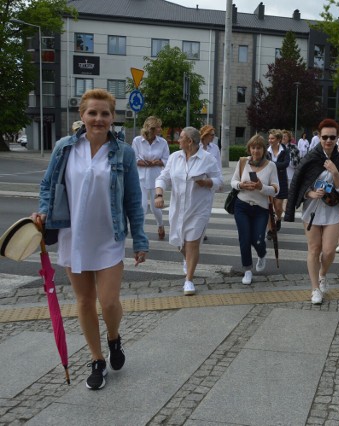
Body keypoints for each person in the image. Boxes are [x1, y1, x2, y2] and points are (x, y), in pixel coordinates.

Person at [32, 88, 148, 390]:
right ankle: (97, 359)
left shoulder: (124, 152)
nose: (98, 118)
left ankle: (113, 337)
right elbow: (48, 186)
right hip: (74, 235)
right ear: (81, 116)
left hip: (109, 236)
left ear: (113, 118)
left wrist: (140, 239)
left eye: (104, 113)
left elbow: (134, 200)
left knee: (109, 302)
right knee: (84, 301)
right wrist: (43, 211)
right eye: (92, 113)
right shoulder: (65, 148)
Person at [285, 118, 339, 305]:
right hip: (312, 211)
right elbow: (298, 184)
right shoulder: (310, 158)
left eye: (332, 137)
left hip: (333, 211)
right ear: (319, 137)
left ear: (337, 138)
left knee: (329, 250)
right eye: (325, 137)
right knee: (314, 249)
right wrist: (310, 192)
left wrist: (335, 173)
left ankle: (323, 274)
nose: (328, 141)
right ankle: (315, 288)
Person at [154, 127, 223, 296]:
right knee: (179, 242)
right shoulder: (174, 157)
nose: (178, 140)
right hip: (178, 208)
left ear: (190, 141)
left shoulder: (207, 159)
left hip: (198, 208)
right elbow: (163, 177)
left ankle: (189, 280)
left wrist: (206, 182)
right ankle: (187, 258)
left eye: (181, 137)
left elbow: (219, 181)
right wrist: (159, 194)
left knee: (192, 243)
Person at [230, 134, 279, 285]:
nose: (255, 151)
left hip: (261, 208)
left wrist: (261, 187)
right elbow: (233, 181)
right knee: (244, 239)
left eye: (259, 148)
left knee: (257, 239)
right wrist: (241, 185)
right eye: (253, 147)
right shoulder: (243, 162)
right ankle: (247, 270)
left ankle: (262, 253)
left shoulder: (271, 166)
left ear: (264, 150)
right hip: (242, 205)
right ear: (249, 148)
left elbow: (276, 189)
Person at [132, 116, 170, 240]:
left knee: (155, 207)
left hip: (156, 178)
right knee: (142, 207)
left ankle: (160, 225)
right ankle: (141, 234)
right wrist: (142, 162)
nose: (160, 129)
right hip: (141, 178)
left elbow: (166, 159)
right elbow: (134, 158)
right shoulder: (137, 141)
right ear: (151, 129)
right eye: (158, 127)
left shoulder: (162, 142)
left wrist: (157, 162)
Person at [199, 125, 223, 242]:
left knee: (207, 209)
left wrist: (220, 180)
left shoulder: (214, 148)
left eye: (214, 135)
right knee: (197, 207)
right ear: (205, 135)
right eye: (212, 135)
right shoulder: (196, 146)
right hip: (198, 181)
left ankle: (203, 232)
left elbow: (218, 165)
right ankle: (197, 230)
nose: (213, 137)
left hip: (211, 181)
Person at [266, 129, 290, 237]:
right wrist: (275, 165)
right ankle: (271, 229)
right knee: (269, 206)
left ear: (278, 140)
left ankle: (278, 218)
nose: (270, 140)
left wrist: (272, 164)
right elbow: (264, 164)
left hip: (281, 181)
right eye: (269, 138)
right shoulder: (266, 151)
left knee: (278, 207)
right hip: (269, 181)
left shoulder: (284, 150)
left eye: (272, 138)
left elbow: (285, 164)